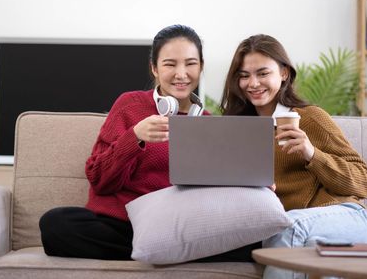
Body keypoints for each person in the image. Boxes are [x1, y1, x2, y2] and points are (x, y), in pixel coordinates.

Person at [39, 24, 259, 261]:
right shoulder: (129, 105)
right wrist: (134, 137)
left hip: (174, 227)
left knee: (255, 242)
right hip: (121, 226)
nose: (181, 73)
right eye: (170, 64)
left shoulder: (208, 124)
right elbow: (99, 180)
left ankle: (162, 251)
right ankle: (164, 254)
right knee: (56, 224)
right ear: (154, 68)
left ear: (201, 67)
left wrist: (256, 184)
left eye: (191, 63)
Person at [220, 34, 367, 279]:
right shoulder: (238, 131)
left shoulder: (310, 118)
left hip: (346, 217)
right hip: (296, 235)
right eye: (244, 75)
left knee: (290, 226)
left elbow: (365, 182)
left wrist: (311, 153)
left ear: (283, 73)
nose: (253, 83)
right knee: (312, 259)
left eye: (263, 73)